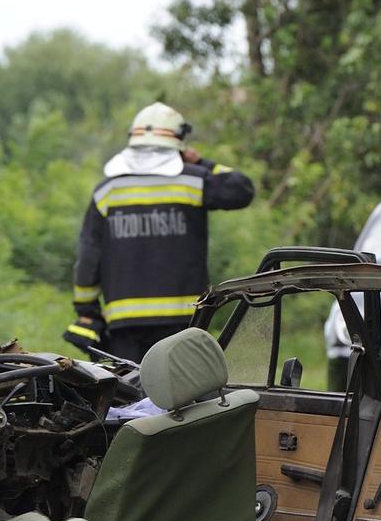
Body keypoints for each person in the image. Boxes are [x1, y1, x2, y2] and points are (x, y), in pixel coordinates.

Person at [69, 102, 254, 362]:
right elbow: (242, 189)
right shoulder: (193, 181)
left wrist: (87, 311)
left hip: (124, 327)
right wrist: (201, 161)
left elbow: (88, 258)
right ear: (178, 141)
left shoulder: (107, 191)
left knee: (128, 398)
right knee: (186, 399)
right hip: (184, 322)